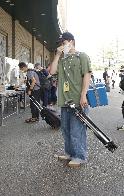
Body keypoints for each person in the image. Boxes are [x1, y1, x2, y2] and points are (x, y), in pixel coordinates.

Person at [50, 32, 91, 168]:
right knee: (66, 129)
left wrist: (83, 94)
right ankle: (69, 153)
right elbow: (52, 71)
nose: (62, 45)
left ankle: (80, 156)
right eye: (61, 43)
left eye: (64, 42)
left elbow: (87, 75)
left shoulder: (82, 56)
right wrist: (57, 55)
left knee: (77, 129)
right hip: (64, 100)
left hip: (78, 100)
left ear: (71, 41)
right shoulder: (63, 60)